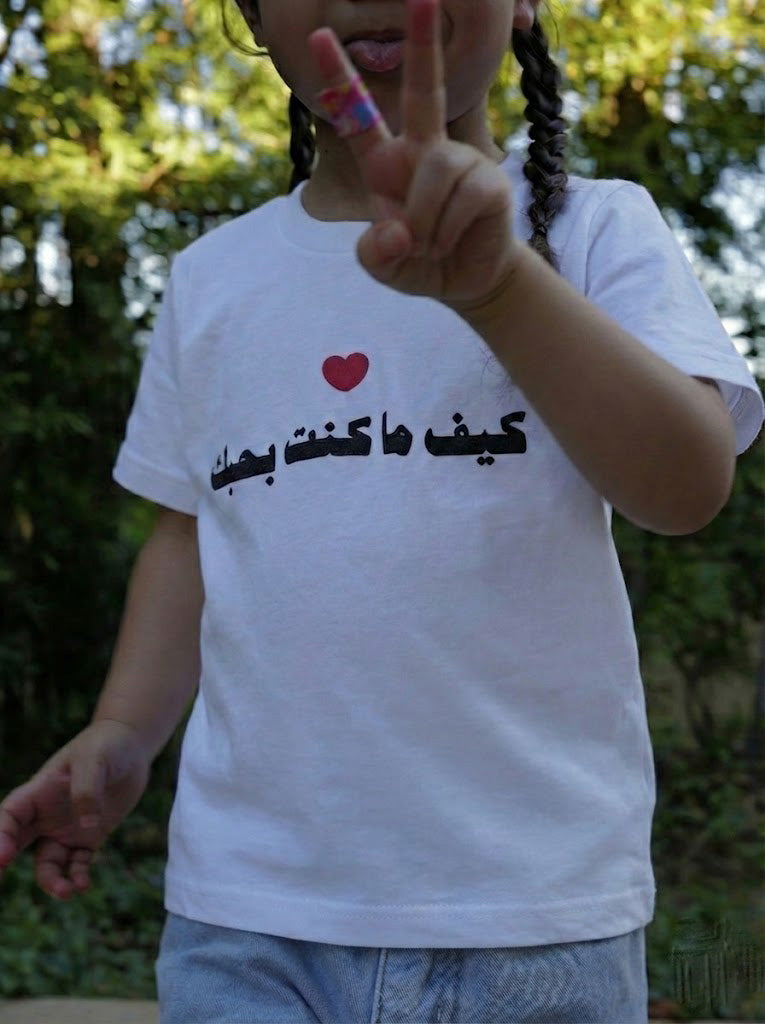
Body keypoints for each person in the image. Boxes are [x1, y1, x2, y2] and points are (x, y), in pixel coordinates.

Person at [1, 0, 763, 1020]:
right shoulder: (210, 279)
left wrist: (499, 288)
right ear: (253, 14)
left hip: (529, 921)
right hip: (247, 922)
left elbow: (685, 486)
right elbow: (190, 532)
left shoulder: (591, 229)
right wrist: (124, 729)